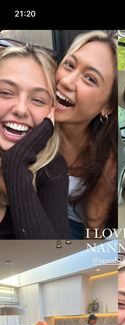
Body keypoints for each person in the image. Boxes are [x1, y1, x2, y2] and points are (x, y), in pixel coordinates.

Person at [0, 43, 70, 239]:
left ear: (51, 112)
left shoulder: (52, 169)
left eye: (38, 100)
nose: (21, 110)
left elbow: (55, 258)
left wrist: (15, 164)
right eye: (5, 92)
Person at [55, 30, 118, 239]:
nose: (66, 81)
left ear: (107, 106)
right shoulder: (28, 123)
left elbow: (94, 229)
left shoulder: (107, 160)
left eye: (90, 79)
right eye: (69, 65)